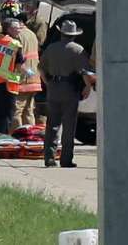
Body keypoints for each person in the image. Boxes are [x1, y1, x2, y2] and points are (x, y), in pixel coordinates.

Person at [39, 20, 91, 168]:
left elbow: (41, 69)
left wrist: (48, 83)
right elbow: (85, 72)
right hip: (70, 89)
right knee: (69, 125)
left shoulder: (51, 48)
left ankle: (49, 157)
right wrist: (87, 87)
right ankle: (66, 159)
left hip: (54, 88)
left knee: (52, 124)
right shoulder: (78, 50)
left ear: (61, 33)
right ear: (73, 36)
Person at [0, 18, 28, 135]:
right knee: (5, 114)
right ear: (9, 29)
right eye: (16, 27)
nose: (19, 30)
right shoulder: (14, 44)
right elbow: (19, 65)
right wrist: (27, 73)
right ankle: (1, 137)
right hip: (7, 83)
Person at [18, 0, 48, 129]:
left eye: (28, 6)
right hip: (30, 71)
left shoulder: (39, 23)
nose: (25, 8)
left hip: (32, 69)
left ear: (36, 8)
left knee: (22, 109)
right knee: (29, 109)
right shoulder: (28, 23)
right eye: (24, 6)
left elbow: (41, 43)